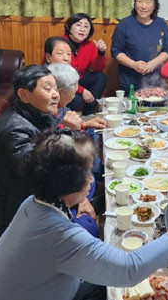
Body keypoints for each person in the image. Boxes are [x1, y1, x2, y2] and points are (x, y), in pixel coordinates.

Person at [0, 128, 168, 300]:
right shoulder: (60, 236)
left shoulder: (33, 202)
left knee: (105, 285)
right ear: (70, 181)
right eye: (89, 172)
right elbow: (129, 268)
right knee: (115, 286)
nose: (92, 179)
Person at [0, 65, 98, 245]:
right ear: (24, 95)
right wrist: (68, 133)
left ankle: (83, 203)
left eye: (55, 88)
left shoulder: (40, 114)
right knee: (89, 229)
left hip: (33, 202)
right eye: (47, 89)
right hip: (10, 225)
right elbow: (39, 173)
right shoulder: (13, 128)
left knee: (89, 178)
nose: (56, 94)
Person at [47, 63, 106, 237]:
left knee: (94, 141)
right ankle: (88, 198)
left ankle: (92, 192)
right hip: (54, 193)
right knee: (90, 228)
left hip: (66, 178)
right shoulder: (45, 114)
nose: (75, 94)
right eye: (74, 89)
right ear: (60, 91)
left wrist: (85, 124)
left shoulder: (58, 107)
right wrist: (81, 197)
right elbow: (56, 163)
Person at [111, 0, 168, 94]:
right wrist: (133, 64)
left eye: (148, 2)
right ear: (135, 3)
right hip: (129, 81)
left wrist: (153, 63)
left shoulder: (161, 23)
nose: (143, 6)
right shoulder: (124, 24)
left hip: (155, 82)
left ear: (155, 5)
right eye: (140, 1)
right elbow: (115, 51)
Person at [63, 13, 107, 115]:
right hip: (62, 84)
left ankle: (89, 113)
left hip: (78, 80)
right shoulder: (59, 43)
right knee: (76, 101)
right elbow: (60, 77)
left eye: (86, 26)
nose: (82, 29)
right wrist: (82, 91)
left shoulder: (90, 45)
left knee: (100, 77)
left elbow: (98, 68)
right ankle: (65, 117)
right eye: (78, 25)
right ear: (69, 27)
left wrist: (101, 53)